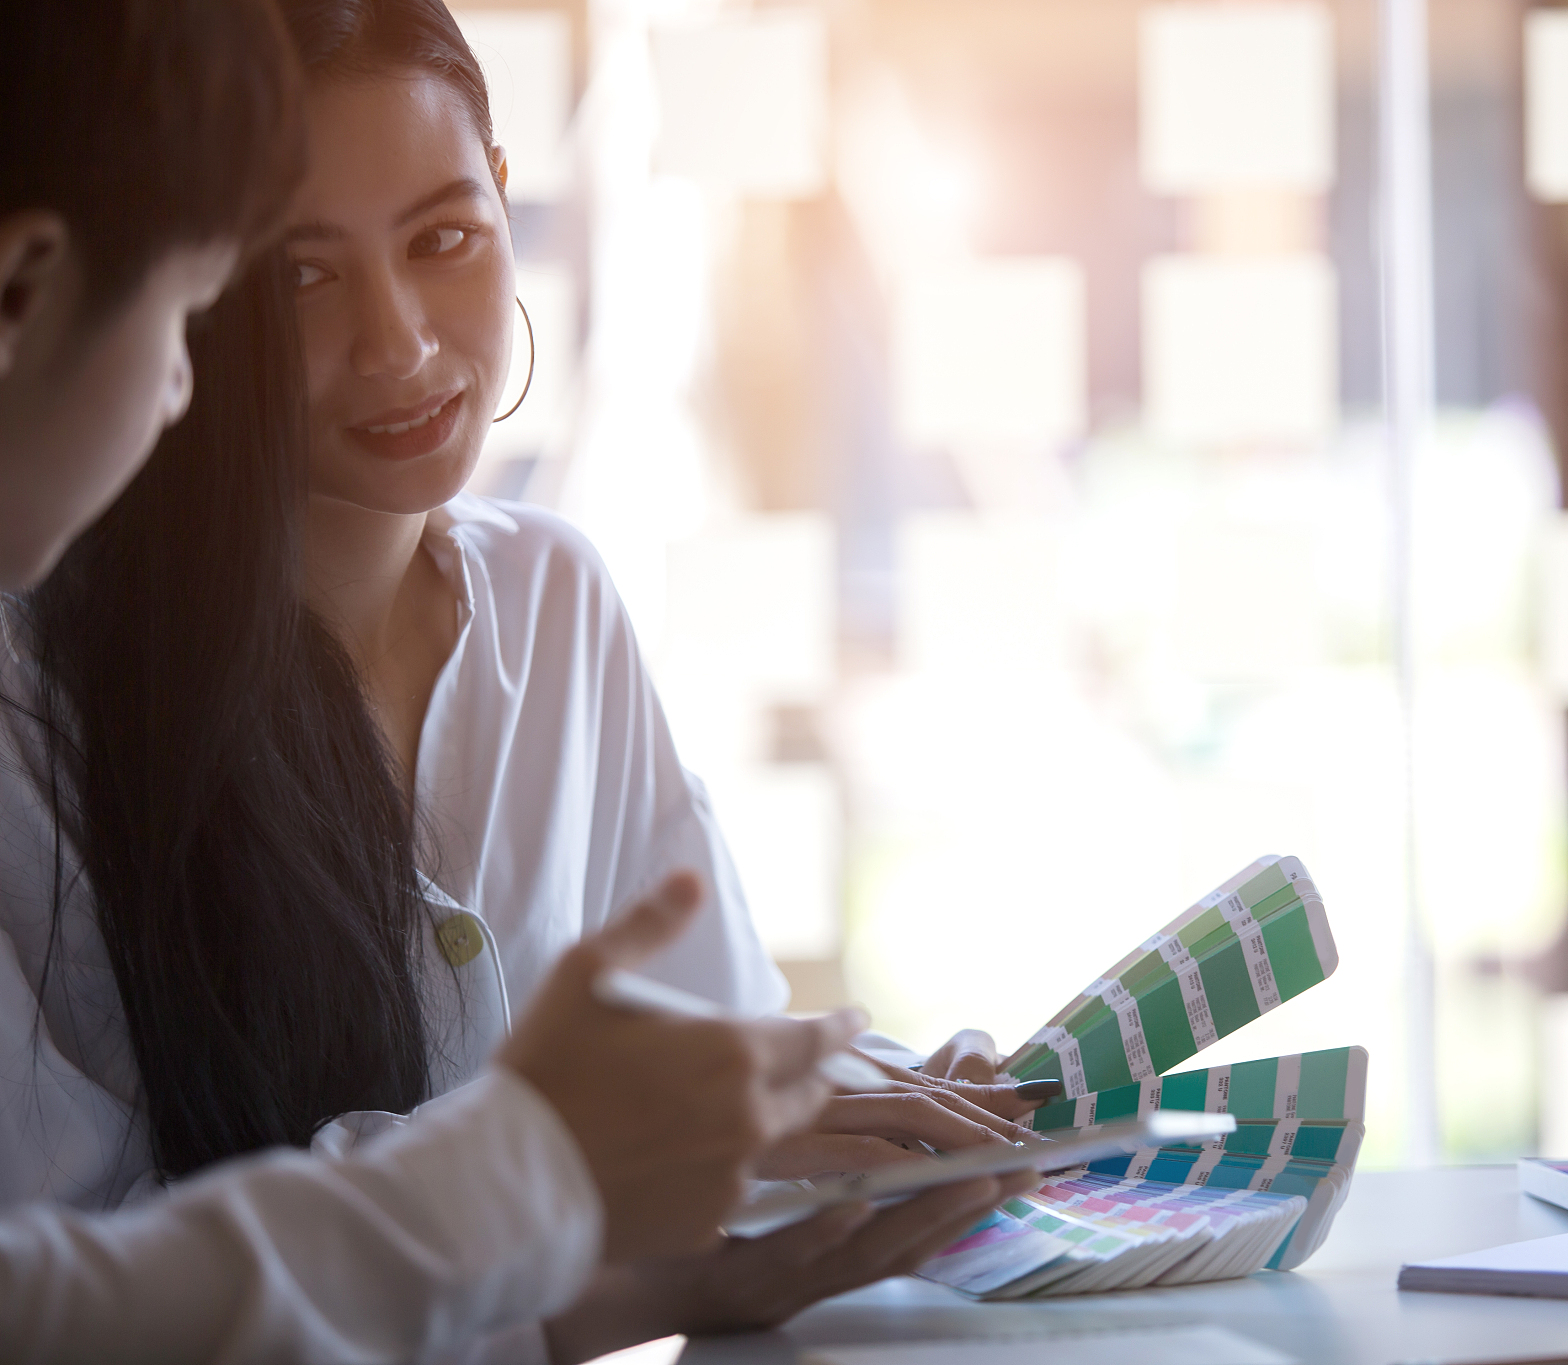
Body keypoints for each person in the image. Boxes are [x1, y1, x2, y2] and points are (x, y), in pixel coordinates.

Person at [0, 2, 1024, 1361]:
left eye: (444, 238)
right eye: (296, 278)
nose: (401, 345)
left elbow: (710, 1076)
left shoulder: (559, 601)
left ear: (504, 195)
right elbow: (88, 1299)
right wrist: (579, 1194)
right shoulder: (44, 700)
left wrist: (862, 1098)